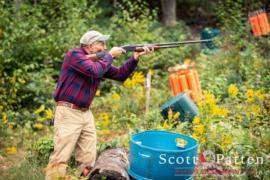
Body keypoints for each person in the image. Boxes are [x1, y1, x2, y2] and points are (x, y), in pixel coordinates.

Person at [45, 30, 154, 179]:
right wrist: (110, 55)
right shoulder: (74, 55)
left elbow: (120, 74)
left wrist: (135, 57)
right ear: (90, 45)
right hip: (68, 112)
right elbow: (95, 71)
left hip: (86, 114)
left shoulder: (98, 62)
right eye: (101, 43)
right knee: (60, 158)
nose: (104, 47)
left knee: (88, 160)